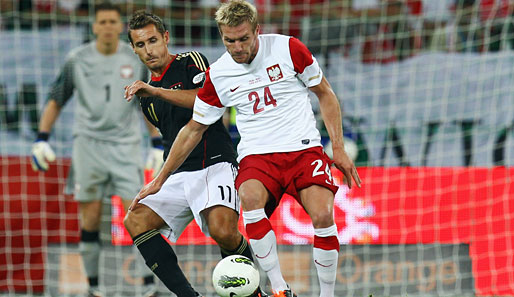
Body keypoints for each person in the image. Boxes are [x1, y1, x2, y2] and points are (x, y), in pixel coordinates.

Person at [132, 1, 362, 296]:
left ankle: (327, 294)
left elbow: (325, 94)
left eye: (243, 39)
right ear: (222, 36)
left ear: (257, 30)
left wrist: (338, 148)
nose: (238, 47)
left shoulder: (289, 48)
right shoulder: (219, 74)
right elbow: (194, 128)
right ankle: (279, 288)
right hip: (257, 155)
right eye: (230, 41)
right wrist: (159, 179)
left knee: (321, 216)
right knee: (250, 198)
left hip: (303, 149)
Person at [123, 11, 268, 297]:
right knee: (135, 219)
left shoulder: (191, 61)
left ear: (166, 38)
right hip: (178, 171)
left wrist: (157, 91)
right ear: (134, 49)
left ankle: (254, 294)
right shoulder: (146, 99)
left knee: (224, 231)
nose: (149, 50)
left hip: (215, 163)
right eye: (140, 45)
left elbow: (205, 100)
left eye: (153, 40)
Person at [30, 3, 162, 297]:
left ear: (120, 27)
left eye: (112, 22)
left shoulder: (134, 57)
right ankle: (93, 287)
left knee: (137, 214)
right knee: (90, 218)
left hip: (125, 147)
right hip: (87, 147)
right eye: (101, 21)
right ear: (94, 26)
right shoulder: (77, 59)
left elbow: (146, 102)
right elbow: (56, 99)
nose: (106, 26)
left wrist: (155, 142)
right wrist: (41, 138)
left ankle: (148, 285)